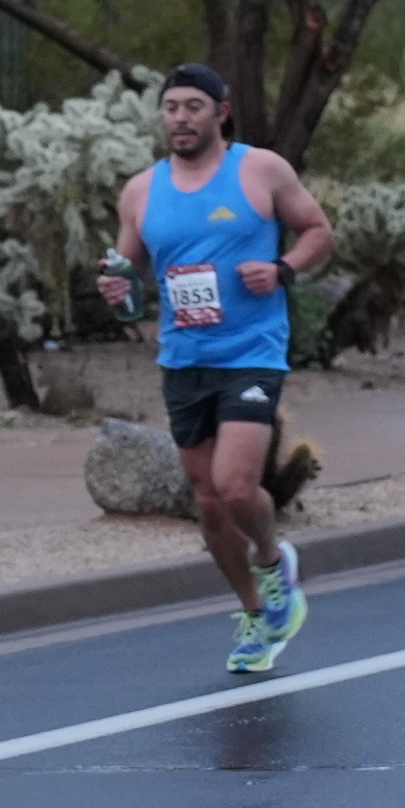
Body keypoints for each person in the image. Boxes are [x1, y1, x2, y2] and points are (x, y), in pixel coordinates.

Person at [95, 64, 335, 667]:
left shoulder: (260, 170)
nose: (180, 118)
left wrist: (282, 270)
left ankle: (273, 561)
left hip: (252, 351)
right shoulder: (141, 191)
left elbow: (317, 230)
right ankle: (256, 617)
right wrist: (117, 290)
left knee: (233, 485)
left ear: (220, 113)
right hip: (184, 358)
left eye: (193, 106)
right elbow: (127, 277)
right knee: (207, 502)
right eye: (171, 107)